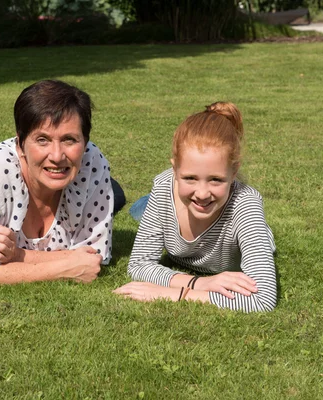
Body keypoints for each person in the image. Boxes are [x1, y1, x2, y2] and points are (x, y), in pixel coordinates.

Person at [0, 80, 124, 284]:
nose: (56, 155)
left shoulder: (92, 161)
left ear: (85, 142)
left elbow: (95, 256)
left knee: (115, 195)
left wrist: (19, 256)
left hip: (74, 181)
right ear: (20, 145)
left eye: (69, 140)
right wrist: (65, 268)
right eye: (42, 140)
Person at [114, 102, 277, 312]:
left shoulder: (246, 205)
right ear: (174, 169)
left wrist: (177, 294)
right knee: (140, 208)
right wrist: (200, 283)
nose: (202, 193)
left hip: (249, 228)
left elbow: (263, 300)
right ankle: (147, 204)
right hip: (169, 199)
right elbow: (139, 265)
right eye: (190, 178)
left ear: (234, 172)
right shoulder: (164, 184)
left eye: (216, 180)